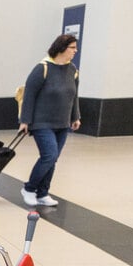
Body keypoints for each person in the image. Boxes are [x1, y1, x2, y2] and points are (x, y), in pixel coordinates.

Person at [18, 34, 81, 208]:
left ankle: (43, 193)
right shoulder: (43, 68)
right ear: (61, 48)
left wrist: (75, 116)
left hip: (62, 123)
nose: (75, 51)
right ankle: (29, 189)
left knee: (53, 159)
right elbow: (29, 95)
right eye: (72, 47)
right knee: (49, 156)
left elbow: (74, 95)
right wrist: (25, 120)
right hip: (41, 123)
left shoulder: (72, 70)